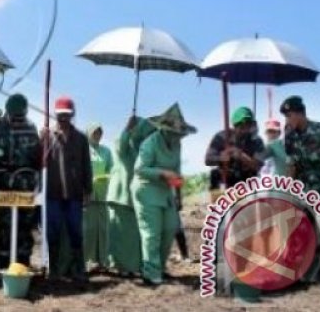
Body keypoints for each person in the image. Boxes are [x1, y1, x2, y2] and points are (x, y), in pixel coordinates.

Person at [132, 103, 196, 287]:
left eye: (180, 133)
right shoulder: (150, 143)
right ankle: (150, 273)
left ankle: (158, 267)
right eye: (174, 132)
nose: (178, 136)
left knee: (170, 228)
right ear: (165, 130)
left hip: (165, 192)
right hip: (146, 190)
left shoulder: (177, 146)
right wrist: (163, 173)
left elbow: (176, 170)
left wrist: (178, 194)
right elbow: (140, 169)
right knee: (151, 233)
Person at [282, 96, 320, 282]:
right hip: (303, 190)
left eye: (289, 115)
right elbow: (291, 165)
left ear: (299, 113)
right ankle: (308, 269)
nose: (287, 120)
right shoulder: (290, 135)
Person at [0, 93, 41, 270]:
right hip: (3, 187)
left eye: (20, 115)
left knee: (24, 226)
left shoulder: (31, 129)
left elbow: (37, 158)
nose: (17, 118)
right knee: (3, 225)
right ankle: (2, 263)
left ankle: (22, 263)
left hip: (26, 187)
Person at [43, 97, 92, 282]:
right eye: (60, 115)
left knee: (76, 233)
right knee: (52, 233)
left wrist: (88, 189)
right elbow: (38, 161)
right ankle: (54, 270)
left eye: (67, 115)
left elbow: (87, 165)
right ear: (55, 115)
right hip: (52, 194)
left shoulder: (80, 138)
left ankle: (78, 270)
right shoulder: (48, 137)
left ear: (72, 116)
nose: (63, 119)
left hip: (74, 194)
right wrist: (41, 140)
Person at [106, 115, 156, 277]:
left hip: (136, 199)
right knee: (121, 235)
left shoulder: (144, 153)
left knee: (134, 236)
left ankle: (134, 265)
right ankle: (121, 266)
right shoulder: (124, 145)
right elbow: (121, 146)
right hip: (121, 197)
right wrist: (127, 128)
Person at [205, 106, 264, 188]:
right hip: (225, 181)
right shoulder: (221, 136)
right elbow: (208, 160)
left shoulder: (257, 140)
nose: (245, 130)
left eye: (248, 125)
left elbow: (258, 165)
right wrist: (221, 158)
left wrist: (241, 156)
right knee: (215, 174)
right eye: (241, 127)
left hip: (246, 182)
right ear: (235, 126)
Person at [83, 123, 113, 273]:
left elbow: (111, 170)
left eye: (99, 133)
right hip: (87, 194)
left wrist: (106, 176)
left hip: (103, 192)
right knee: (88, 228)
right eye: (95, 133)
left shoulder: (106, 151)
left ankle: (103, 260)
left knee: (103, 227)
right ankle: (87, 260)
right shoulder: (83, 150)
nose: (97, 136)